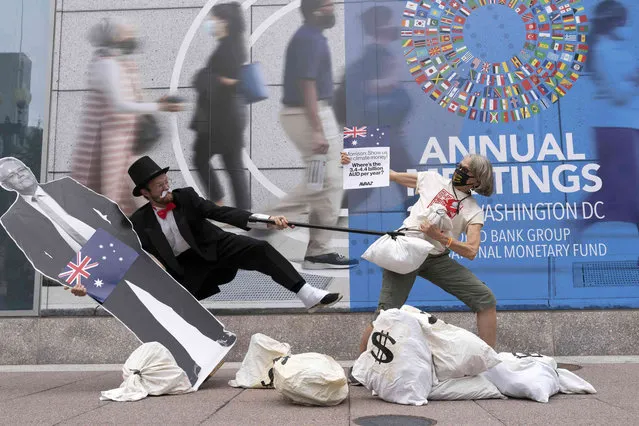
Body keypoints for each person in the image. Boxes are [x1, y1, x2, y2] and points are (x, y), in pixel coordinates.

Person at [0, 157, 228, 384]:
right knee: (140, 319)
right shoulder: (12, 219)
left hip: (115, 248)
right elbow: (39, 258)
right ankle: (188, 366)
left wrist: (129, 241)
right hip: (87, 269)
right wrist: (73, 280)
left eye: (22, 169)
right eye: (13, 176)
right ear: (7, 185)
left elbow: (107, 208)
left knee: (170, 294)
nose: (21, 175)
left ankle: (217, 334)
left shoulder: (64, 185)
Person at [347, 154, 497, 380]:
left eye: (465, 170)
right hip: (406, 251)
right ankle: (359, 370)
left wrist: (441, 238)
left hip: (436, 258)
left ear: (477, 181)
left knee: (485, 298)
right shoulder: (432, 180)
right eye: (459, 166)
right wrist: (353, 163)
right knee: (387, 311)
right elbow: (393, 176)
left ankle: (490, 364)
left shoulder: (473, 210)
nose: (458, 170)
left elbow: (471, 250)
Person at [127, 155, 343, 311]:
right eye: (159, 186)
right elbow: (132, 253)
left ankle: (308, 294)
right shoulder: (139, 221)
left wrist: (267, 221)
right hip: (186, 265)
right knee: (177, 307)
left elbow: (220, 212)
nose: (166, 188)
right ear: (145, 193)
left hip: (214, 244)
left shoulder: (186, 197)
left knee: (260, 249)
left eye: (167, 182)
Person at [265, 0, 358, 269]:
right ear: (316, 10)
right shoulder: (309, 39)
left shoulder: (312, 36)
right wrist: (318, 129)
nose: (333, 9)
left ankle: (312, 247)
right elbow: (307, 84)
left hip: (313, 112)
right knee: (327, 182)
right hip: (307, 114)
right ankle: (268, 223)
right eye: (328, 5)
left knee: (322, 183)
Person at [71, 18, 181, 216]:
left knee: (135, 195)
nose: (133, 36)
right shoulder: (107, 65)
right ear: (115, 37)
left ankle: (150, 237)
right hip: (110, 145)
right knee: (111, 197)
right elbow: (119, 105)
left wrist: (156, 104)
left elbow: (131, 99)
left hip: (124, 143)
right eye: (128, 32)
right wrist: (159, 106)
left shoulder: (120, 63)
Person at [582, 0, 639, 232]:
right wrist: (635, 78)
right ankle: (581, 222)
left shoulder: (615, 47)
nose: (626, 26)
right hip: (614, 127)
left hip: (625, 125)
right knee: (623, 186)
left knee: (616, 184)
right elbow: (618, 94)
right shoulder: (602, 50)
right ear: (612, 22)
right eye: (622, 21)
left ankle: (582, 221)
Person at [191, 2, 250, 210]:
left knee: (200, 158)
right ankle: (242, 214)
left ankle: (218, 203)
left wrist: (207, 77)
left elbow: (231, 81)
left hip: (220, 119)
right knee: (233, 167)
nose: (211, 24)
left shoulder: (228, 48)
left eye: (214, 19)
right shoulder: (232, 44)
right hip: (228, 118)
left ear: (224, 22)